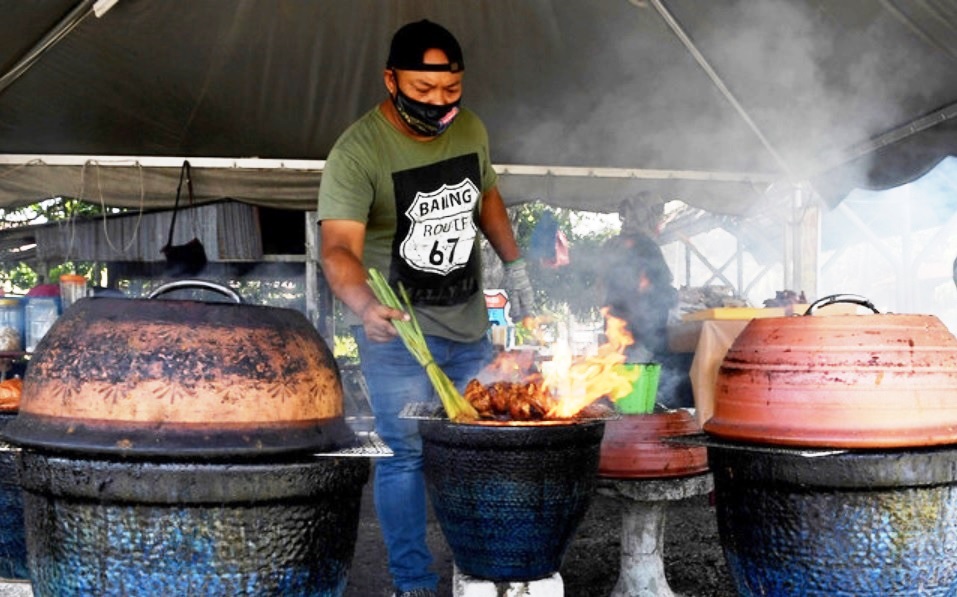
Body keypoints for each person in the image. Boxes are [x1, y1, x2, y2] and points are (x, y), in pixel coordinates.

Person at [316, 19, 533, 597]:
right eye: (422, 91)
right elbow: (338, 249)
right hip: (398, 335)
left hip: (467, 331)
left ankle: (483, 569)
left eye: (450, 91)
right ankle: (412, 583)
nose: (439, 104)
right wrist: (365, 306)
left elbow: (485, 194)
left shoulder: (472, 130)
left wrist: (516, 265)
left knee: (480, 448)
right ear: (390, 79)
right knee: (405, 457)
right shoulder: (357, 151)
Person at [603, 193, 692, 408]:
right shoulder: (645, 246)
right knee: (648, 398)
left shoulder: (613, 244)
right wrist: (678, 296)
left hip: (620, 332)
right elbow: (657, 292)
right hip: (644, 335)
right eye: (656, 214)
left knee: (623, 397)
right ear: (648, 216)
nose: (659, 220)